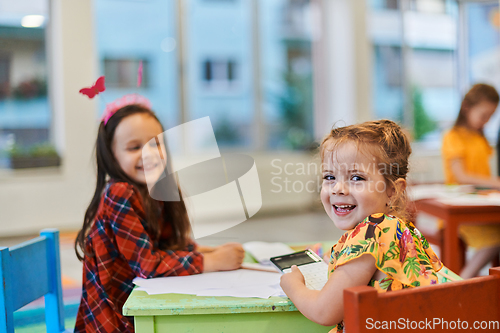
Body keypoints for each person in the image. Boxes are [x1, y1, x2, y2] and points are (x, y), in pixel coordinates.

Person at [74, 95, 245, 332]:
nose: (149, 154)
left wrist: (201, 250)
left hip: (142, 309)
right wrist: (211, 261)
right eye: (134, 147)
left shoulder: (153, 190)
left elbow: (163, 246)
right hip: (115, 321)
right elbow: (149, 266)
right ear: (111, 155)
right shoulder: (119, 193)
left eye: (156, 143)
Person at [280, 120, 443, 332]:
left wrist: (292, 285)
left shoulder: (371, 232)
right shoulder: (396, 227)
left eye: (356, 178)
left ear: (392, 190)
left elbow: (323, 311)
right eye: (330, 177)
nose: (338, 188)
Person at [442, 83, 500, 279]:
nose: (486, 121)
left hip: (481, 204)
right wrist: (495, 182)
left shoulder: (480, 138)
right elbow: (462, 176)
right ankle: (463, 281)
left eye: (491, 116)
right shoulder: (453, 137)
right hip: (460, 210)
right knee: (496, 238)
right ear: (467, 107)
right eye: (483, 115)